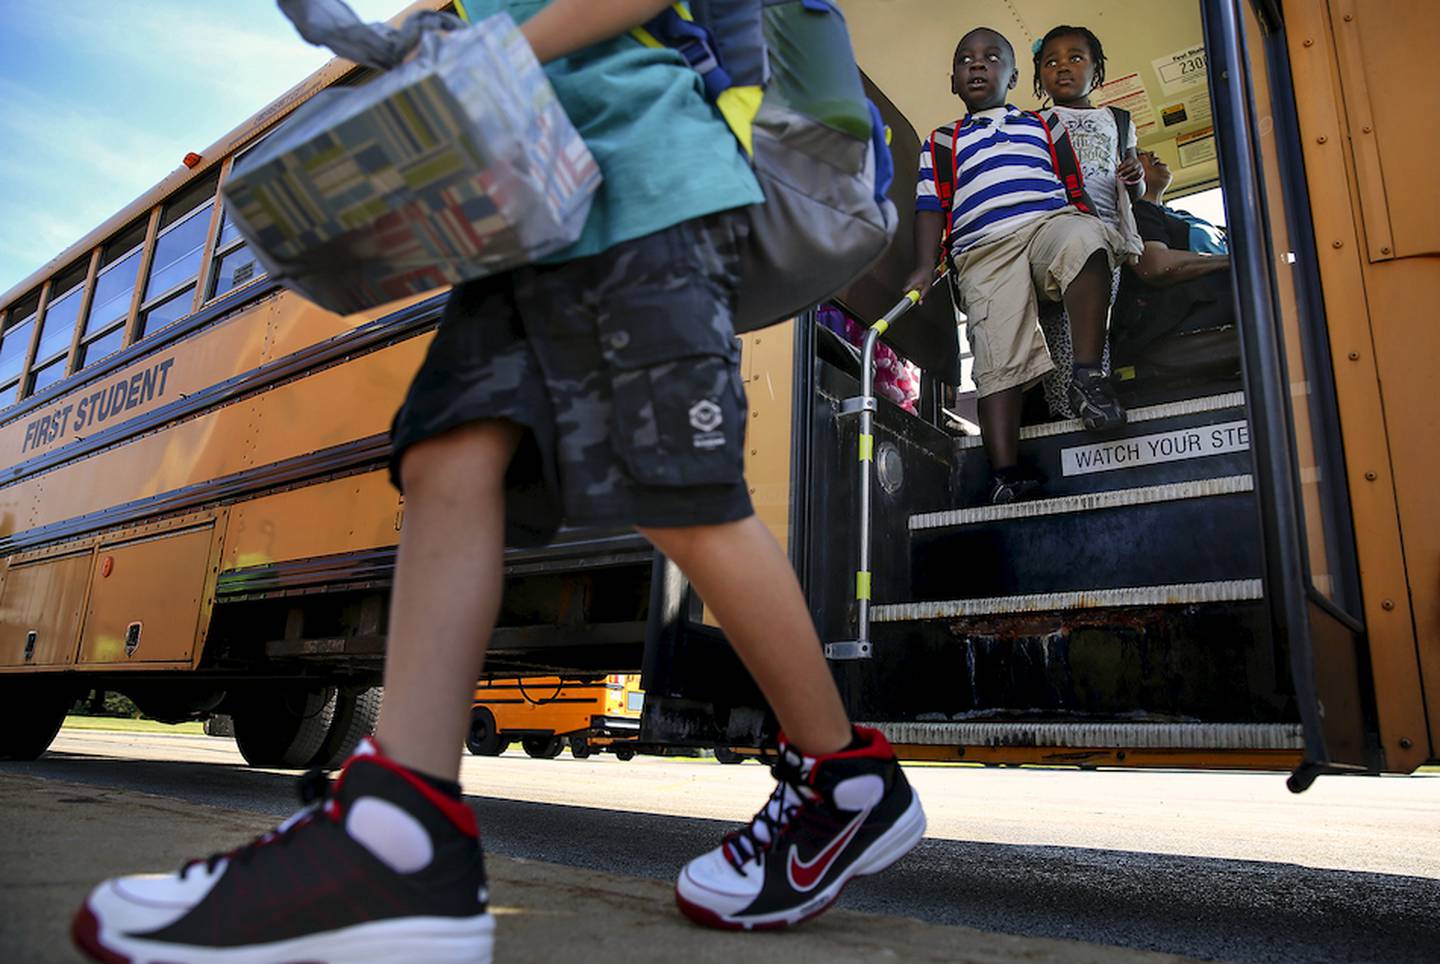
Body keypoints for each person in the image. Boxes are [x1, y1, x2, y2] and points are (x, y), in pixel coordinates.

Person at [70, 2, 926, 961]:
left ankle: (844, 780)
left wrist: (490, 53)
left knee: (680, 493)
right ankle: (400, 839)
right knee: (446, 453)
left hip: (647, 189)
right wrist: (429, 46)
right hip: (535, 202)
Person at [903, 26, 1125, 506]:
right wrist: (924, 266)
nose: (977, 64)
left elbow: (1074, 190)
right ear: (954, 82)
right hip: (983, 250)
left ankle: (1089, 379)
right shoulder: (943, 141)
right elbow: (928, 209)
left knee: (1087, 234)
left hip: (1048, 224)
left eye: (990, 58)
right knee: (996, 360)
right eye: (966, 60)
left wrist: (1100, 232)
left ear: (1015, 75)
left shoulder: (1044, 126)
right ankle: (1005, 472)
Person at [1033, 24, 1145, 420]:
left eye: (1075, 58)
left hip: (1106, 237)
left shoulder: (1117, 120)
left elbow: (1136, 191)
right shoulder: (1036, 123)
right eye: (1051, 62)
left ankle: (1092, 394)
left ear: (1096, 70)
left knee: (1094, 322)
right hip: (1056, 235)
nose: (1063, 68)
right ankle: (1066, 411)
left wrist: (1136, 177)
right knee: (1058, 331)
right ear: (1039, 76)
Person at [1111, 149, 1234, 377]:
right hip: (1175, 316)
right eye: (1138, 153)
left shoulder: (1180, 215)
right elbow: (1157, 266)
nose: (1150, 153)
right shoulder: (1138, 213)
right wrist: (1232, 262)